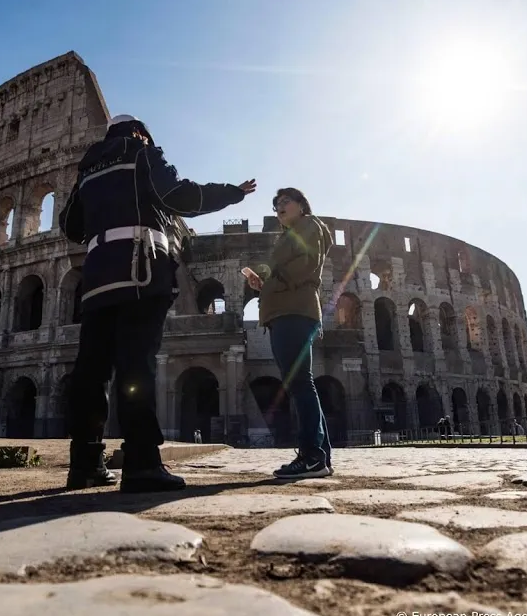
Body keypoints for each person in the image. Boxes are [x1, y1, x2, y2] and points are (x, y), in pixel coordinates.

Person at [59, 114, 256, 493]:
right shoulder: (142, 153)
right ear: (139, 132)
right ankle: (142, 463)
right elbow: (179, 195)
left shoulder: (87, 169)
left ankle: (84, 463)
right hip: (140, 269)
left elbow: (71, 224)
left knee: (91, 370)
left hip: (97, 276)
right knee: (137, 366)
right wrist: (231, 192)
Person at [244, 187, 335, 479]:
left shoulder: (308, 226)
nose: (279, 208)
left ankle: (311, 455)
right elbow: (286, 271)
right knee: (301, 383)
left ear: (301, 205)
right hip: (286, 311)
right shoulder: (289, 235)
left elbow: (307, 265)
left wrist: (272, 281)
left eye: (285, 202)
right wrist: (265, 283)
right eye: (276, 205)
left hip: (294, 312)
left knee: (300, 384)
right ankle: (320, 457)